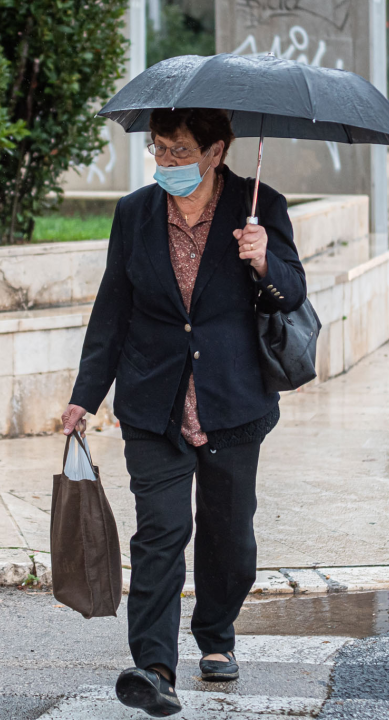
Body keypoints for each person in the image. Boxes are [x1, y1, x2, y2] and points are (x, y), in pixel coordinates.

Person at [60, 107, 306, 717]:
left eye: (178, 151)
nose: (166, 162)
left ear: (216, 151)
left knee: (228, 537)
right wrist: (84, 395)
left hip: (233, 398)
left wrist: (262, 260)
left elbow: (293, 292)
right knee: (161, 534)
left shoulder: (260, 206)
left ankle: (216, 636)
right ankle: (154, 666)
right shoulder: (135, 213)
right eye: (158, 150)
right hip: (153, 399)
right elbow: (112, 308)